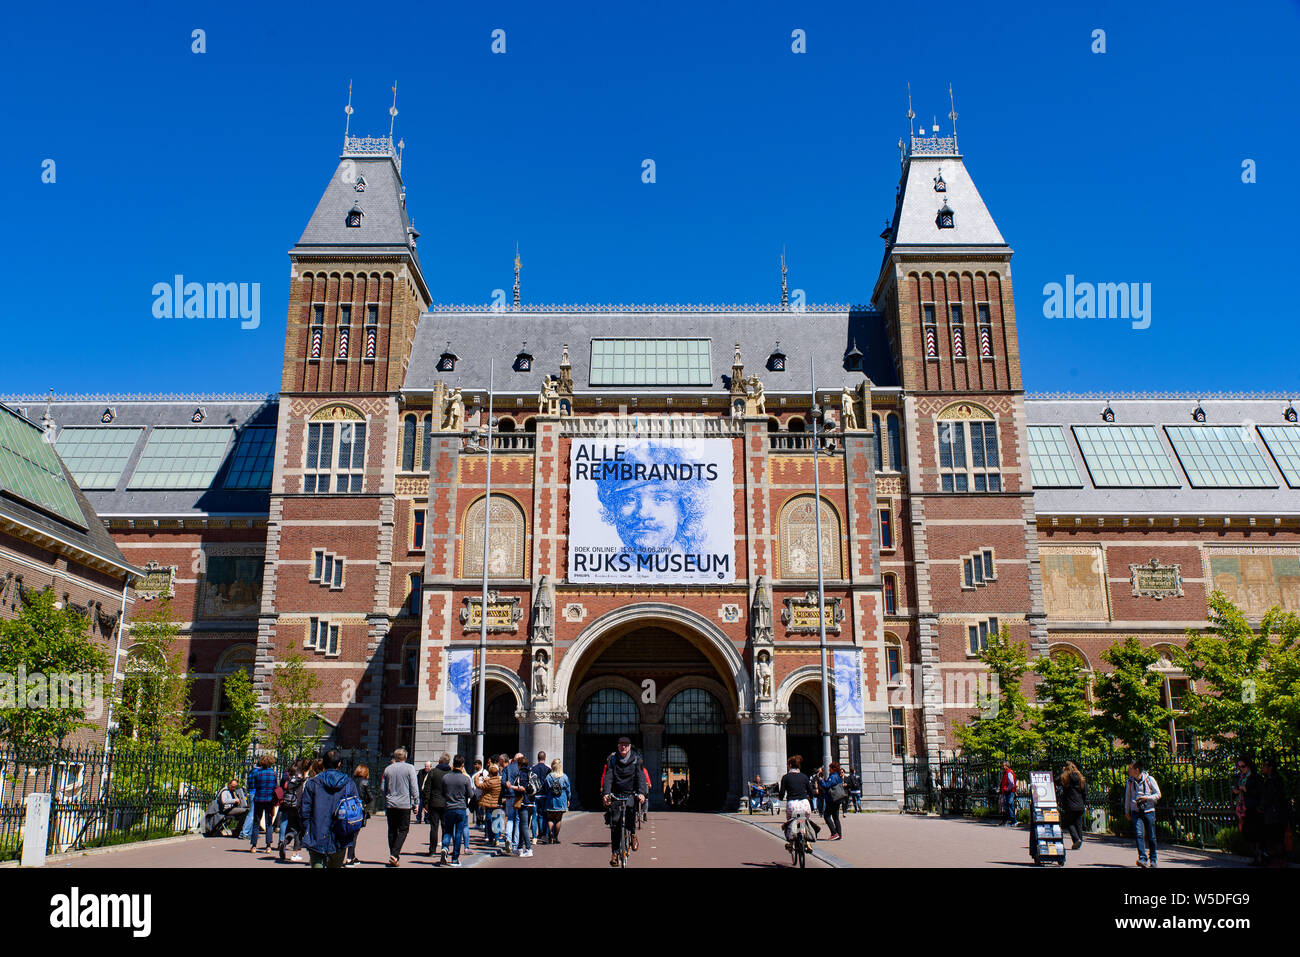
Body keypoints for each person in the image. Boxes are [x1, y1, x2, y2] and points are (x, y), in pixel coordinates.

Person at [301, 749, 361, 869]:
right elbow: (356, 810)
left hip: (317, 833)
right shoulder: (349, 784)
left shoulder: (313, 783)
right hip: (340, 834)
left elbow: (304, 811)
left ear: (323, 763)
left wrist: (307, 830)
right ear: (339, 764)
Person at [601, 736, 648, 866]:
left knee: (631, 813)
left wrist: (641, 793)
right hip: (616, 794)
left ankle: (632, 834)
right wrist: (606, 793)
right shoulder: (613, 759)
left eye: (626, 745)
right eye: (621, 744)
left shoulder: (636, 759)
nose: (623, 747)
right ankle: (615, 853)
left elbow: (641, 777)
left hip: (631, 793)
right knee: (615, 824)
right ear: (618, 746)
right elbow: (608, 776)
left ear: (629, 746)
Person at [381, 747, 420, 866]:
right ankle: (394, 854)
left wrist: (387, 797)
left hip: (391, 803)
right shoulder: (410, 768)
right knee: (403, 829)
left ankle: (394, 854)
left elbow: (383, 788)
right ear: (405, 757)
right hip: (404, 804)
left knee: (392, 829)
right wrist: (416, 802)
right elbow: (414, 786)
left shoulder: (388, 769)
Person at [1124, 760, 1161, 869]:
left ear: (1137, 770)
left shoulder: (1150, 780)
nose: (1128, 770)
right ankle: (1142, 858)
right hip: (1136, 811)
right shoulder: (1130, 782)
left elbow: (1158, 794)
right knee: (1139, 834)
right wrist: (1127, 811)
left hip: (1148, 811)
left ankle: (1153, 859)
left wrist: (1146, 798)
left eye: (1130, 768)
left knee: (1151, 836)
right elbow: (1128, 797)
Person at [779, 755, 820, 848]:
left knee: (791, 821)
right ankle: (806, 839)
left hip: (792, 805)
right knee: (804, 820)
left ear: (789, 765)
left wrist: (780, 798)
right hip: (804, 804)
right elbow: (810, 791)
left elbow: (782, 793)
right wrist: (810, 797)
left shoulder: (785, 777)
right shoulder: (804, 777)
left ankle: (791, 841)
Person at [441, 755, 474, 866]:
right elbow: (470, 794)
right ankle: (454, 859)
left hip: (449, 808)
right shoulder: (465, 779)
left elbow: (443, 793)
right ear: (462, 765)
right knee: (458, 833)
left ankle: (445, 848)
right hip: (460, 808)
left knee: (447, 831)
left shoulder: (446, 777)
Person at [1258, 758, 1290, 868]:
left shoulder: (1274, 780)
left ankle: (1279, 860)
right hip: (1274, 812)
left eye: (1264, 766)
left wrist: (1262, 807)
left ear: (1270, 767)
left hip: (1275, 813)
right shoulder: (1271, 779)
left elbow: (1270, 796)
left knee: (1276, 837)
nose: (1262, 768)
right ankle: (1276, 860)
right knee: (1274, 837)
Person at [1232, 757, 1264, 865]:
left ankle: (1259, 857)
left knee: (1255, 833)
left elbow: (1260, 792)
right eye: (1239, 766)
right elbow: (1235, 789)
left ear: (1248, 765)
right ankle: (1255, 856)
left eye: (1243, 766)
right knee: (1246, 833)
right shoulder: (1240, 777)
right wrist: (1236, 791)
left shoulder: (1254, 777)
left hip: (1252, 808)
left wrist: (1247, 790)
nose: (1241, 768)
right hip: (1242, 807)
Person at [246, 753, 279, 853]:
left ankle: (254, 846)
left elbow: (252, 785)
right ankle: (268, 846)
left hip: (259, 798)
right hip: (269, 800)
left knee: (256, 822)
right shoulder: (273, 773)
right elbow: (275, 786)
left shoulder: (257, 773)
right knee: (269, 823)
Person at [422, 752, 451, 860]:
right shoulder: (451, 773)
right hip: (447, 803)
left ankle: (432, 850)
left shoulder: (433, 772)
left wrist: (425, 803)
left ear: (440, 761)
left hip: (434, 802)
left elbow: (427, 788)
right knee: (445, 827)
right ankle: (444, 848)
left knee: (434, 827)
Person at [507, 753, 537, 857]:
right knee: (521, 825)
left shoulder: (523, 773)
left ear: (519, 764)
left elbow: (523, 788)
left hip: (524, 802)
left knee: (524, 826)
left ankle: (528, 849)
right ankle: (519, 848)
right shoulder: (530, 771)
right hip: (531, 802)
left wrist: (511, 786)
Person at [276, 760, 307, 862]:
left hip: (288, 803)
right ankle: (295, 853)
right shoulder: (300, 777)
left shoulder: (288, 775)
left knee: (291, 826)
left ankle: (284, 842)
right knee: (298, 829)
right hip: (297, 804)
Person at [345, 764, 372, 866]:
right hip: (358, 809)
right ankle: (349, 858)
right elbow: (370, 797)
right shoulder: (365, 782)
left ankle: (352, 856)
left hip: (349, 808)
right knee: (354, 834)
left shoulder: (350, 781)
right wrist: (365, 803)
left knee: (350, 832)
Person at [1056, 761, 1086, 850]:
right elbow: (1085, 792)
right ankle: (1079, 840)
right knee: (1078, 823)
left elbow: (1056, 781)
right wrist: (1084, 802)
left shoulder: (1065, 778)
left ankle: (1076, 839)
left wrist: (1062, 772)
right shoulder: (1081, 778)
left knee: (1069, 822)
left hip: (1070, 804)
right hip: (1080, 804)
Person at [543, 758, 571, 844]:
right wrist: (568, 799)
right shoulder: (564, 776)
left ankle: (550, 833)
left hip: (551, 798)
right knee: (558, 819)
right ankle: (555, 837)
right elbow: (568, 790)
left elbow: (546, 788)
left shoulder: (549, 776)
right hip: (561, 798)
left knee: (550, 818)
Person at [479, 763, 504, 847]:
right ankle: (497, 838)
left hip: (489, 803)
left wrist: (476, 779)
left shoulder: (489, 781)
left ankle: (490, 839)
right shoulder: (500, 780)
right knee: (497, 821)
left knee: (489, 821)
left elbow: (480, 786)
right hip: (497, 803)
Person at [821, 762, 845, 840]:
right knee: (836, 817)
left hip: (832, 799)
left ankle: (834, 833)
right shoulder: (838, 776)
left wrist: (821, 780)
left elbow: (826, 786)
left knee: (827, 815)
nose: (829, 770)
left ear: (833, 768)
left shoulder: (833, 776)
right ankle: (839, 834)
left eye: (830, 768)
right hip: (838, 798)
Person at [530, 751, 551, 841]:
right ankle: (544, 835)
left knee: (535, 816)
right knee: (544, 815)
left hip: (535, 795)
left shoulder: (533, 769)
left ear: (538, 758)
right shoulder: (548, 770)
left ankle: (535, 836)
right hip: (545, 795)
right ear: (545, 758)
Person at [998, 761, 1017, 827]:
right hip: (1007, 791)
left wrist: (1006, 789)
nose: (1003, 767)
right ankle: (1011, 820)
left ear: (1007, 766)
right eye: (1002, 766)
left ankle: (1013, 821)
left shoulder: (1009, 773)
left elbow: (1012, 783)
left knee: (1009, 805)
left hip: (1009, 791)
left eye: (1004, 766)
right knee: (1008, 806)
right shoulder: (1006, 773)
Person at [417, 760, 433, 824]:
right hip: (420, 793)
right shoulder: (421, 772)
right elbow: (417, 781)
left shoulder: (432, 773)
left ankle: (427, 819)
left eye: (427, 766)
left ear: (430, 767)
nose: (426, 767)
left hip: (428, 793)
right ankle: (418, 819)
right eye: (425, 766)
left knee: (427, 807)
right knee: (419, 807)